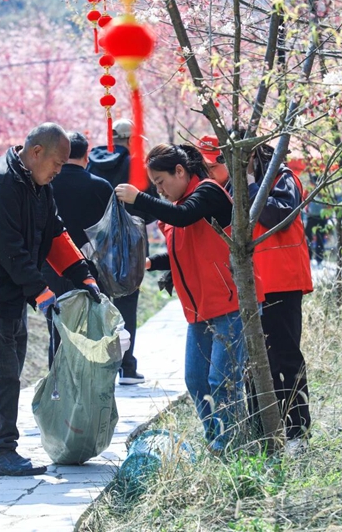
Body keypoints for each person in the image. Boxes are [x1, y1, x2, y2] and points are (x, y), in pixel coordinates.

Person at [0, 123, 102, 476]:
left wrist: (82, 273)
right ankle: (1, 451)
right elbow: (9, 249)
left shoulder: (36, 185)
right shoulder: (0, 184)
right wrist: (40, 291)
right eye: (57, 163)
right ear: (36, 152)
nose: (59, 171)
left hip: (8, 292)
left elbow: (54, 232)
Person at [114, 144, 265, 453]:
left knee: (222, 381)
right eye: (154, 185)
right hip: (200, 310)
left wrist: (139, 197)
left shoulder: (207, 192)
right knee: (196, 380)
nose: (159, 190)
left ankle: (231, 446)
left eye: (160, 182)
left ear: (180, 171)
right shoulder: (179, 205)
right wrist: (150, 263)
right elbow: (183, 252)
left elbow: (184, 217)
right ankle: (217, 441)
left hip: (230, 303)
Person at [198, 136, 313, 445]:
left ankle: (297, 434)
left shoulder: (282, 177)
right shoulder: (228, 187)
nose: (224, 165)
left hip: (281, 282)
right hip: (249, 286)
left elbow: (278, 216)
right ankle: (263, 435)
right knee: (253, 365)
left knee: (284, 358)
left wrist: (249, 184)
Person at [87, 119, 151, 385]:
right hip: (129, 247)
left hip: (96, 245)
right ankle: (126, 366)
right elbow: (149, 208)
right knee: (126, 304)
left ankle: (101, 364)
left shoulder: (91, 162)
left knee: (99, 303)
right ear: (131, 140)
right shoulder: (135, 165)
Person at [43, 131, 113, 366]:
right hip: (91, 270)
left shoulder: (46, 183)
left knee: (57, 331)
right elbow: (110, 232)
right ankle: (90, 381)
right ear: (87, 155)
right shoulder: (101, 186)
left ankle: (58, 383)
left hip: (51, 268)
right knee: (92, 331)